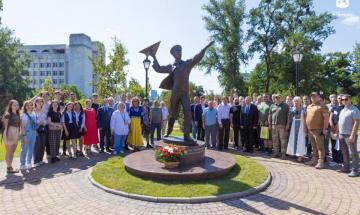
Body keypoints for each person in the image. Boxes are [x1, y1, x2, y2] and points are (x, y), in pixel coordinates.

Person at [150, 41, 214, 141]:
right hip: (175, 93)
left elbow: (197, 56)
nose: (179, 53)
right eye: (177, 51)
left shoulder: (187, 64)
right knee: (172, 114)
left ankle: (186, 135)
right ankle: (169, 130)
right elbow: (158, 68)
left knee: (188, 112)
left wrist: (206, 47)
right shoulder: (171, 66)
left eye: (180, 51)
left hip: (184, 93)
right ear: (173, 54)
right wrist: (153, 56)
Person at [304, 92, 329, 169]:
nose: (313, 98)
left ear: (318, 97)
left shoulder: (322, 106)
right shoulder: (309, 106)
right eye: (312, 97)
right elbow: (306, 118)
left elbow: (326, 118)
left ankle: (321, 161)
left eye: (315, 96)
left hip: (319, 130)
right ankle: (314, 159)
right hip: (310, 130)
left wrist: (325, 128)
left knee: (320, 147)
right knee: (313, 146)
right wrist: (305, 128)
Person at [337, 94, 360, 177]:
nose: (344, 101)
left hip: (349, 135)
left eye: (346, 99)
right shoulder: (343, 110)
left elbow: (356, 123)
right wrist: (338, 132)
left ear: (350, 99)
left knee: (353, 153)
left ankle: (355, 170)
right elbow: (340, 122)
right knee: (344, 152)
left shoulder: (354, 109)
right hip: (342, 134)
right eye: (342, 99)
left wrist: (353, 135)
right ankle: (346, 167)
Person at [269, 94, 290, 159]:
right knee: (275, 140)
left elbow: (288, 116)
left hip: (282, 126)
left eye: (278, 98)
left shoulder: (285, 106)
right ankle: (276, 153)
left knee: (283, 140)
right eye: (276, 98)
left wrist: (287, 125)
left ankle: (283, 154)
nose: (277, 99)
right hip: (273, 125)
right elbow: (269, 115)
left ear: (281, 98)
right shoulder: (272, 105)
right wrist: (269, 124)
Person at [2, 100, 20, 173]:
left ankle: (10, 166)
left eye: (17, 105)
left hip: (16, 132)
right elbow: (6, 126)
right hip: (9, 131)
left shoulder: (18, 114)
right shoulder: (8, 114)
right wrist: (8, 134)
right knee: (9, 151)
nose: (16, 106)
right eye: (14, 105)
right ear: (10, 106)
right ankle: (9, 167)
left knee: (12, 151)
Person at [287, 97, 307, 162]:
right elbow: (289, 118)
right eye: (295, 101)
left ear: (300, 102)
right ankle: (294, 153)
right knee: (293, 139)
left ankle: (300, 156)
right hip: (293, 126)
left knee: (301, 140)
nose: (296, 102)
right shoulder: (291, 109)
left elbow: (305, 119)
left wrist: (305, 127)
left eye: (297, 101)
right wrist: (287, 125)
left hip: (301, 126)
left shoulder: (303, 109)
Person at [19, 100, 37, 170]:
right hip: (26, 133)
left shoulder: (33, 114)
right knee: (24, 149)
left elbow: (34, 124)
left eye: (30, 105)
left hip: (33, 133)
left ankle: (29, 162)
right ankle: (22, 164)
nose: (29, 106)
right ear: (25, 106)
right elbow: (22, 127)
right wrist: (24, 136)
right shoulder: (23, 115)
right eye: (27, 105)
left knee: (31, 149)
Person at [329, 94, 344, 166]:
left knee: (341, 146)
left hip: (340, 129)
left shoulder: (344, 108)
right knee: (333, 144)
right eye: (339, 98)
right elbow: (330, 117)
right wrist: (332, 126)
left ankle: (341, 161)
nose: (340, 100)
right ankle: (335, 160)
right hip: (333, 129)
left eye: (342, 99)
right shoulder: (334, 107)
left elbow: (340, 120)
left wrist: (337, 129)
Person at [34, 97, 47, 167]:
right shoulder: (33, 111)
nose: (40, 103)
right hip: (36, 130)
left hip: (43, 129)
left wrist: (43, 122)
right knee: (37, 145)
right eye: (38, 101)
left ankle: (41, 160)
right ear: (35, 103)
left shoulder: (44, 111)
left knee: (42, 144)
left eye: (41, 102)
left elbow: (46, 120)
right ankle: (36, 161)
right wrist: (39, 122)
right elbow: (32, 121)